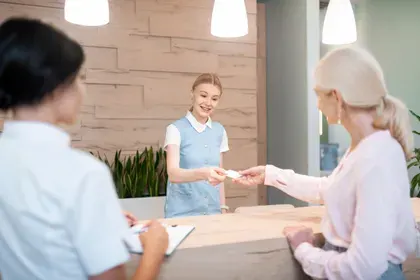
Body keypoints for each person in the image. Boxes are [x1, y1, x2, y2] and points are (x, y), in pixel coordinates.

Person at [0, 18, 168, 280]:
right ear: (55, 88)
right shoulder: (83, 173)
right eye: (80, 79)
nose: (83, 90)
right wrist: (155, 248)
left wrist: (93, 216)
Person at [234, 46, 418, 280]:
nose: (318, 105)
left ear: (337, 97)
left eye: (319, 95)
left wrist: (305, 251)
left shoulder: (377, 157)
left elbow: (362, 268)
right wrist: (270, 175)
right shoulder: (367, 147)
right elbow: (332, 189)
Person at [164, 73, 229, 218]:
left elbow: (220, 176)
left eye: (214, 99)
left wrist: (223, 208)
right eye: (203, 95)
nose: (208, 103)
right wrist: (203, 174)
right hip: (182, 215)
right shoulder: (175, 129)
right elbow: (173, 174)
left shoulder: (220, 131)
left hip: (214, 215)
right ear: (192, 94)